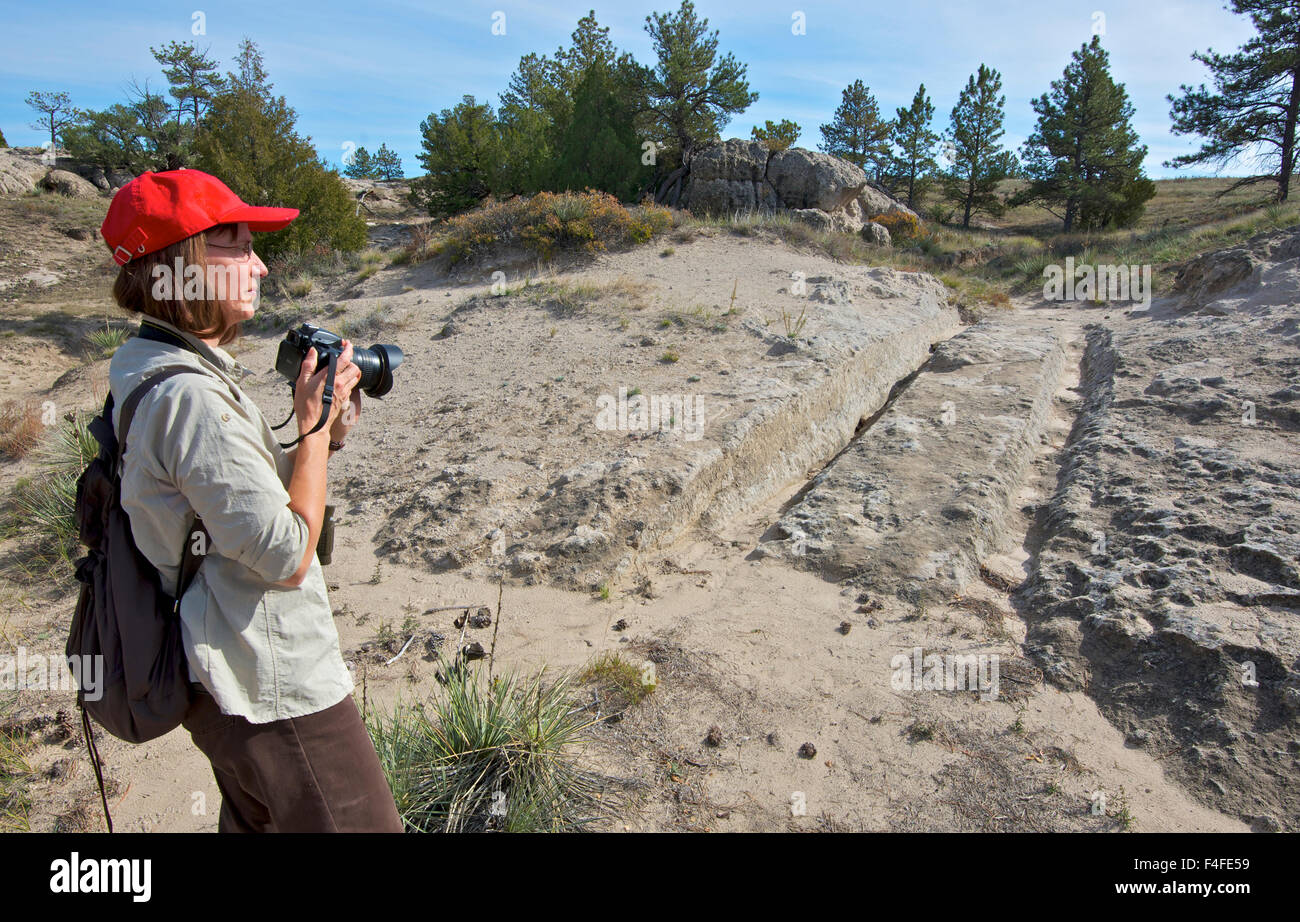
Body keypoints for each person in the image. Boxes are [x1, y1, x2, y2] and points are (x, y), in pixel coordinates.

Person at [101, 169, 403, 832]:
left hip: (223, 674)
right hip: (270, 684)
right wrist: (313, 430)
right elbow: (286, 555)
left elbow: (230, 507)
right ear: (183, 265)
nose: (260, 266)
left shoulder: (149, 367)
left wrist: (323, 437)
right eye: (238, 246)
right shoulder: (190, 398)